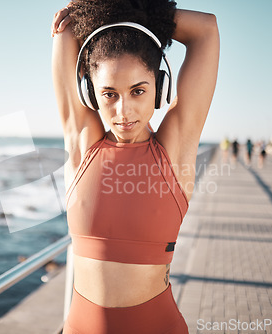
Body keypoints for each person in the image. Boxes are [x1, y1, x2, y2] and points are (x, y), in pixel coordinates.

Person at [51, 1, 219, 333]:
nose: (123, 111)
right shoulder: (81, 147)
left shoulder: (174, 151)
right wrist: (90, 11)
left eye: (138, 91)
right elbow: (68, 30)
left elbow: (206, 30)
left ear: (160, 88)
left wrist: (127, 10)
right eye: (109, 94)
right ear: (90, 94)